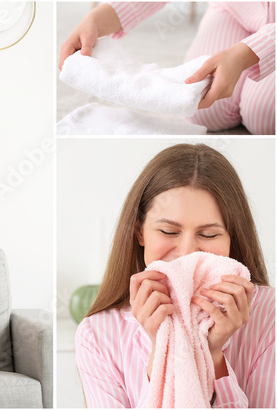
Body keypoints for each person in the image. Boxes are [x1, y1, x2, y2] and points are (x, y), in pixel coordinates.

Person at [75, 143, 274, 407]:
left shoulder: (269, 313)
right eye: (169, 232)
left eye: (209, 234)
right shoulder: (98, 334)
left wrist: (214, 358)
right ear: (139, 232)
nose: (186, 252)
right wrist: (163, 350)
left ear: (231, 239)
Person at [59, 3, 274, 134]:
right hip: (236, 8)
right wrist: (97, 19)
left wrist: (247, 53)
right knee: (206, 110)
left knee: (262, 115)